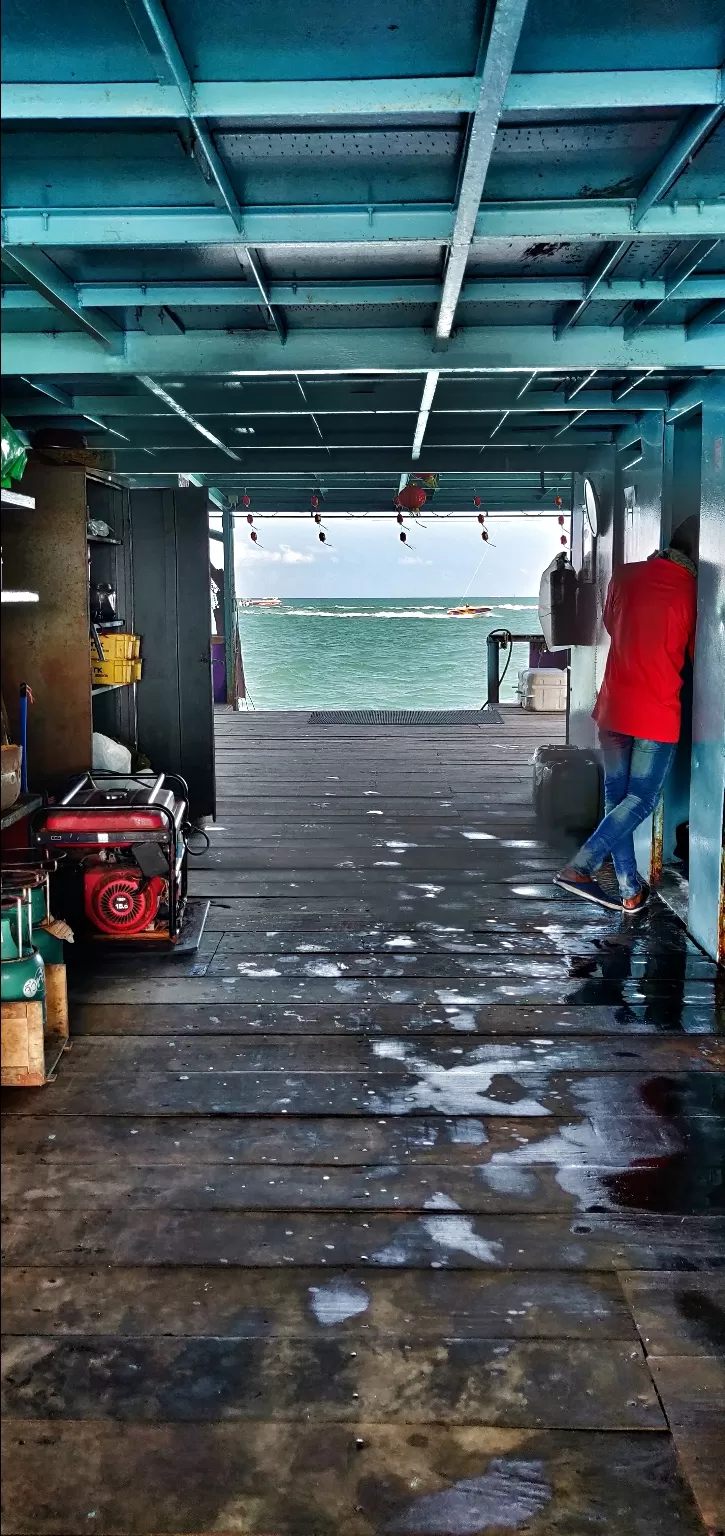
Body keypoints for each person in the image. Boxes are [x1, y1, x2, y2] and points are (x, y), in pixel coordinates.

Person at [556, 517, 698, 913]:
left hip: (613, 707)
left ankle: (628, 889)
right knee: (640, 800)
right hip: (656, 712)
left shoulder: (624, 575)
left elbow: (612, 625)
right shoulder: (692, 591)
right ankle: (580, 867)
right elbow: (699, 658)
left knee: (617, 799)